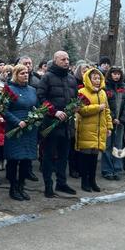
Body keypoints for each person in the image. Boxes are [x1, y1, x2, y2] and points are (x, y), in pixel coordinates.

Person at [37, 51, 78, 197]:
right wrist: (54, 112)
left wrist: (75, 107)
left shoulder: (72, 79)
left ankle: (62, 183)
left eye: (68, 59)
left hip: (67, 124)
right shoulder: (47, 77)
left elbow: (74, 98)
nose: (66, 61)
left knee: (64, 156)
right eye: (63, 59)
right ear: (55, 60)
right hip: (51, 124)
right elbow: (41, 98)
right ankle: (48, 186)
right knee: (49, 156)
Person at [3, 65, 38, 201]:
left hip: (29, 129)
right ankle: (13, 187)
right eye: (22, 73)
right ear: (15, 75)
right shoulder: (9, 90)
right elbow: (4, 109)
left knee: (25, 159)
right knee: (14, 159)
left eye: (27, 73)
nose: (25, 75)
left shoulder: (32, 90)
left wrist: (36, 116)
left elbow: (37, 106)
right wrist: (17, 121)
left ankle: (21, 186)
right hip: (15, 128)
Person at [75, 68, 112, 192]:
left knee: (94, 158)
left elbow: (107, 111)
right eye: (94, 78)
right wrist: (97, 107)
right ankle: (84, 182)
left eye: (98, 78)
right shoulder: (81, 91)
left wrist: (109, 126)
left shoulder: (102, 93)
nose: (97, 81)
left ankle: (92, 181)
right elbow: (81, 110)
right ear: (88, 79)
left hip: (99, 130)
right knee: (86, 157)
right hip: (86, 129)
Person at [102, 66, 125, 180]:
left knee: (118, 146)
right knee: (107, 145)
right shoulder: (105, 87)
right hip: (109, 121)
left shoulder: (124, 87)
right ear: (110, 74)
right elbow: (105, 104)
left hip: (120, 122)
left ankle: (117, 169)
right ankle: (107, 169)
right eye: (114, 74)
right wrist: (112, 117)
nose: (116, 76)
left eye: (118, 74)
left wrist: (122, 118)